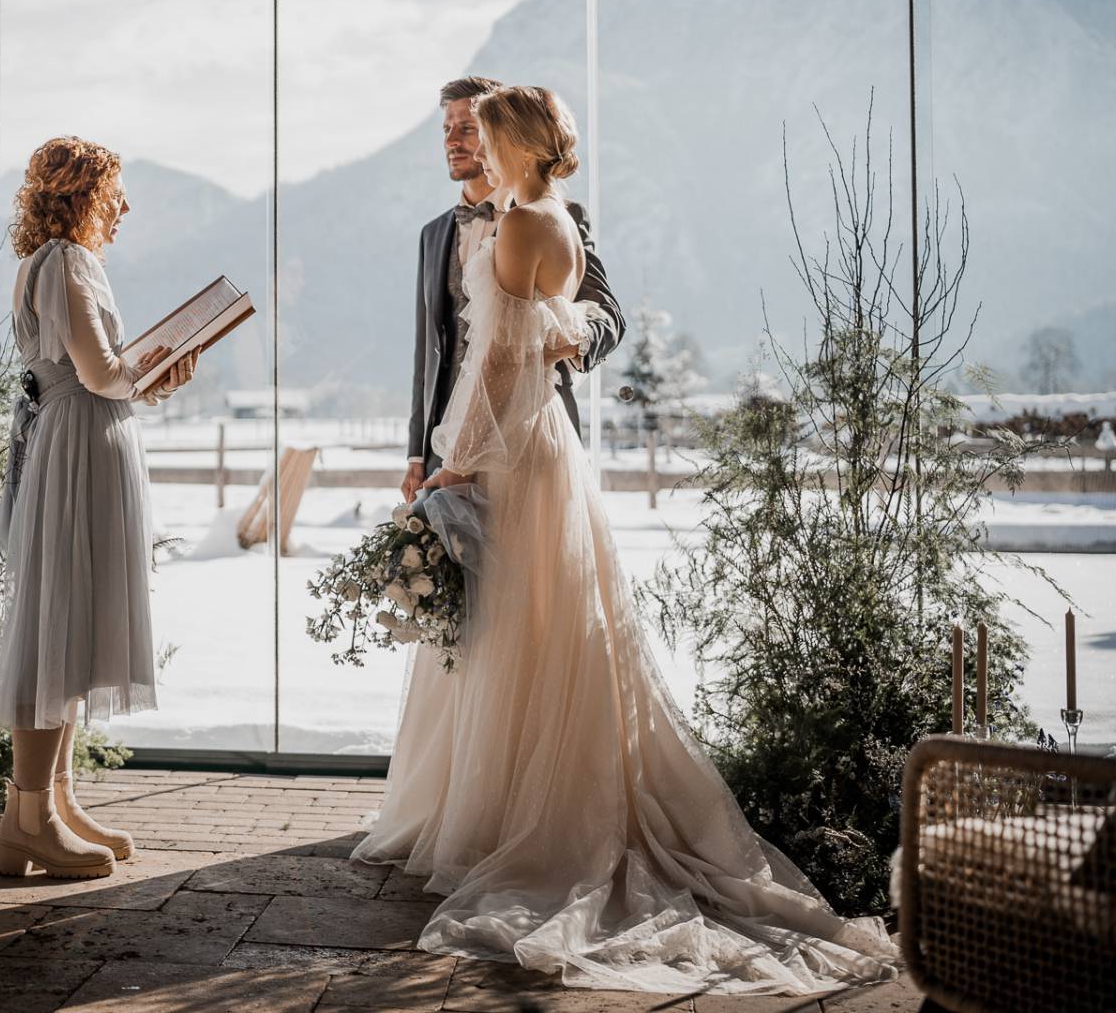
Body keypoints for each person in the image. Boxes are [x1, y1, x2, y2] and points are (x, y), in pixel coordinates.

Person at [354, 87, 899, 994]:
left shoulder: (532, 223)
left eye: (478, 133)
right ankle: (475, 803)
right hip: (508, 443)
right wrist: (434, 445)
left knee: (519, 624)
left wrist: (471, 448)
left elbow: (519, 347)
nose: (468, 149)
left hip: (511, 445)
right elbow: (453, 348)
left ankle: (524, 818)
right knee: (509, 628)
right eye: (457, 135)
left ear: (514, 143)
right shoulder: (511, 221)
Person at [0, 135, 198, 880]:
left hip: (71, 441)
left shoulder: (41, 265)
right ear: (82, 194)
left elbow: (95, 375)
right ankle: (29, 818)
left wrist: (154, 379)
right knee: (58, 622)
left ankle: (55, 802)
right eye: (114, 192)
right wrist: (162, 361)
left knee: (67, 623)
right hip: (80, 448)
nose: (124, 207)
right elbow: (102, 372)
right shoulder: (69, 262)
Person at [404, 75, 623, 505]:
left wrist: (558, 342)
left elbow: (606, 314)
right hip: (449, 441)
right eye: (446, 128)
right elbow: (426, 350)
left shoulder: (556, 216)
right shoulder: (434, 234)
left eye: (470, 129)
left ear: (509, 137)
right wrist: (419, 451)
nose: (458, 141)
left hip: (522, 425)